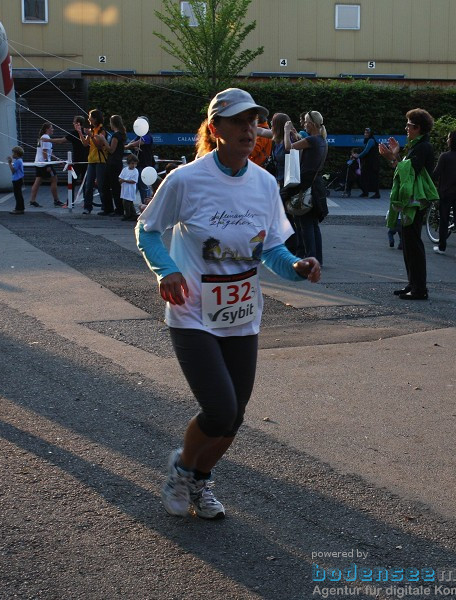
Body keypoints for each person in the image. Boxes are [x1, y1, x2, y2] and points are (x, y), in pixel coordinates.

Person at [135, 88, 321, 520]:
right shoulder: (185, 179)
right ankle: (181, 470)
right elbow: (147, 231)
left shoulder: (264, 183)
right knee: (219, 408)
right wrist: (166, 270)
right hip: (192, 313)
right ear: (215, 129)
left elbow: (272, 248)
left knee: (234, 418)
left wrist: (296, 264)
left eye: (252, 121)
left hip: (241, 315)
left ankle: (199, 480)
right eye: (236, 122)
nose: (247, 129)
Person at [379, 108, 438, 300]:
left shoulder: (423, 147)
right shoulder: (417, 145)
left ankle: (419, 288)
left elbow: (409, 171)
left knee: (413, 243)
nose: (406, 128)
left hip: (415, 202)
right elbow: (405, 170)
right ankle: (413, 284)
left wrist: (392, 158)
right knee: (408, 242)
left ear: (418, 128)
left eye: (409, 125)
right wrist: (395, 156)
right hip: (411, 200)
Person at [283, 110, 328, 264]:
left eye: (306, 121)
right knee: (313, 225)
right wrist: (297, 136)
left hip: (306, 186)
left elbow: (288, 147)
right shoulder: (321, 140)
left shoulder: (312, 140)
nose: (303, 124)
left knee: (305, 224)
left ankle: (309, 258)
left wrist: (286, 131)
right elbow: (305, 145)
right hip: (316, 186)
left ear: (312, 124)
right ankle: (317, 259)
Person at [432, 130, 456, 259]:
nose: (447, 140)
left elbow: (436, 174)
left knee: (443, 221)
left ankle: (442, 247)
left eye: (448, 138)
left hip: (446, 193)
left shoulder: (445, 156)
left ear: (452, 141)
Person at [28, 122, 67, 208]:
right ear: (47, 129)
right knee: (54, 179)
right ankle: (56, 200)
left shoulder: (43, 137)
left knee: (38, 181)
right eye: (51, 128)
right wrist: (47, 164)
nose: (53, 129)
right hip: (44, 163)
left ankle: (32, 200)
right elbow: (44, 152)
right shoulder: (45, 137)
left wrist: (57, 159)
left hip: (39, 162)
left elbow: (49, 152)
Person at [79, 109, 109, 215]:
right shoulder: (91, 130)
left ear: (95, 118)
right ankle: (88, 207)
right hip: (91, 160)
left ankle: (105, 207)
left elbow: (100, 146)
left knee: (101, 185)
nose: (88, 118)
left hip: (100, 161)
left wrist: (91, 136)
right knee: (88, 185)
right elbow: (85, 143)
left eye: (90, 116)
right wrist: (79, 132)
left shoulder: (101, 131)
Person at [102, 114, 128, 216]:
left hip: (113, 162)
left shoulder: (116, 136)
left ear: (113, 123)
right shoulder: (121, 134)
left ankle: (116, 209)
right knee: (113, 186)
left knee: (111, 186)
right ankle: (114, 208)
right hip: (117, 162)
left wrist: (103, 140)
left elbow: (111, 150)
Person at [126, 119, 154, 199]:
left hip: (144, 165)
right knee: (134, 186)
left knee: (143, 187)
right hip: (137, 165)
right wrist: (132, 146)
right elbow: (132, 143)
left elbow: (139, 142)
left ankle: (146, 206)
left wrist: (130, 145)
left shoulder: (148, 136)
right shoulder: (138, 136)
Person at [354, 127, 381, 198]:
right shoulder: (367, 140)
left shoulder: (371, 140)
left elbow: (366, 151)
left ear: (370, 134)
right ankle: (365, 192)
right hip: (368, 162)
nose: (365, 134)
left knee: (373, 178)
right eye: (365, 132)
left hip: (373, 163)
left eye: (367, 133)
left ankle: (376, 194)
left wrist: (358, 156)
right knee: (363, 177)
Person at [68, 115, 89, 204]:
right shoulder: (86, 132)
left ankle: (71, 202)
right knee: (85, 183)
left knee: (73, 182)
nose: (73, 123)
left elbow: (62, 140)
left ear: (78, 123)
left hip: (78, 162)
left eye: (74, 122)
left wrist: (49, 140)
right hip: (85, 161)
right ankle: (86, 202)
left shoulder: (76, 133)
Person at [118, 153, 139, 221]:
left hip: (131, 189)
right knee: (128, 202)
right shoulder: (125, 170)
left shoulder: (135, 171)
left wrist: (124, 180)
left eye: (135, 164)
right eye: (132, 163)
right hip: (125, 189)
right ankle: (133, 214)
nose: (134, 165)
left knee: (127, 202)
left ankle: (128, 214)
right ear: (128, 163)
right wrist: (120, 180)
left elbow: (134, 181)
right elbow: (120, 177)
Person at [7, 146, 26, 214]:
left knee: (17, 195)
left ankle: (19, 209)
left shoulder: (18, 161)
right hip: (18, 179)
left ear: (17, 154)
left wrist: (9, 163)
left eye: (13, 153)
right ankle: (20, 208)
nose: (12, 155)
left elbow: (13, 171)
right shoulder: (18, 160)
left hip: (17, 179)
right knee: (18, 194)